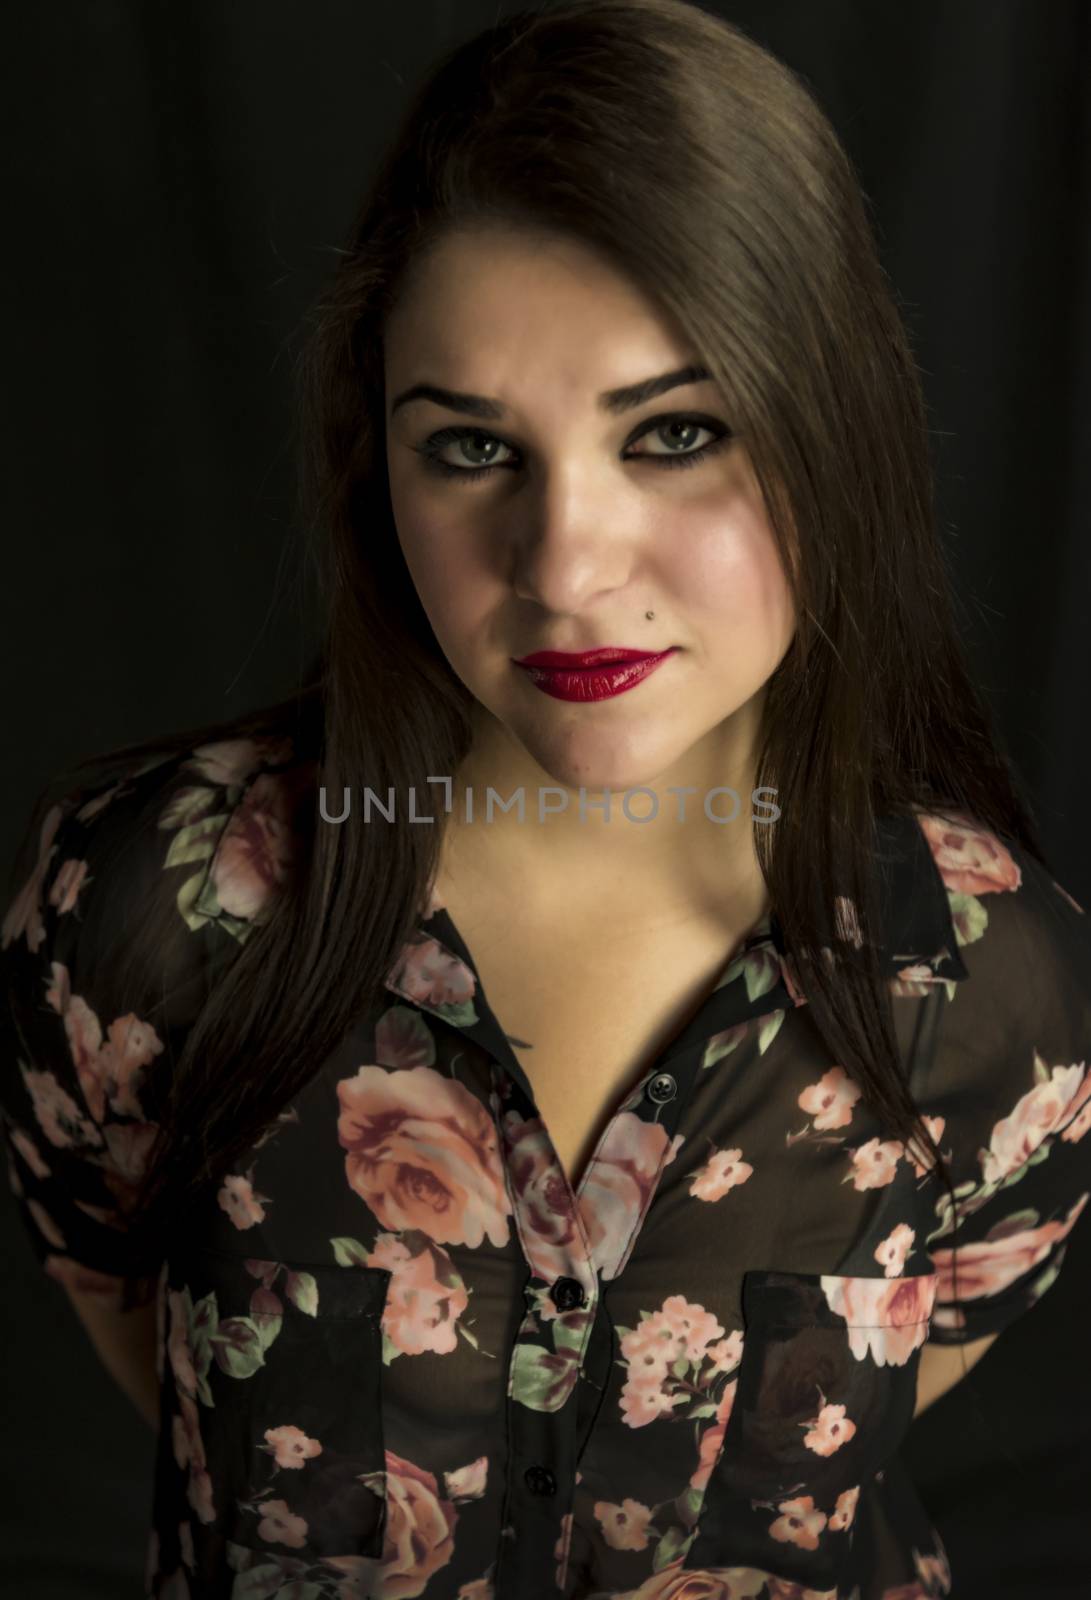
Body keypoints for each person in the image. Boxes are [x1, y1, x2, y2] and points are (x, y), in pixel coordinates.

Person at [2, 2, 1089, 1596]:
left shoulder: (997, 988)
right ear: (379, 469)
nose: (567, 565)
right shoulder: (150, 919)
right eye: (469, 450)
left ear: (834, 429)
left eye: (676, 433)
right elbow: (131, 1327)